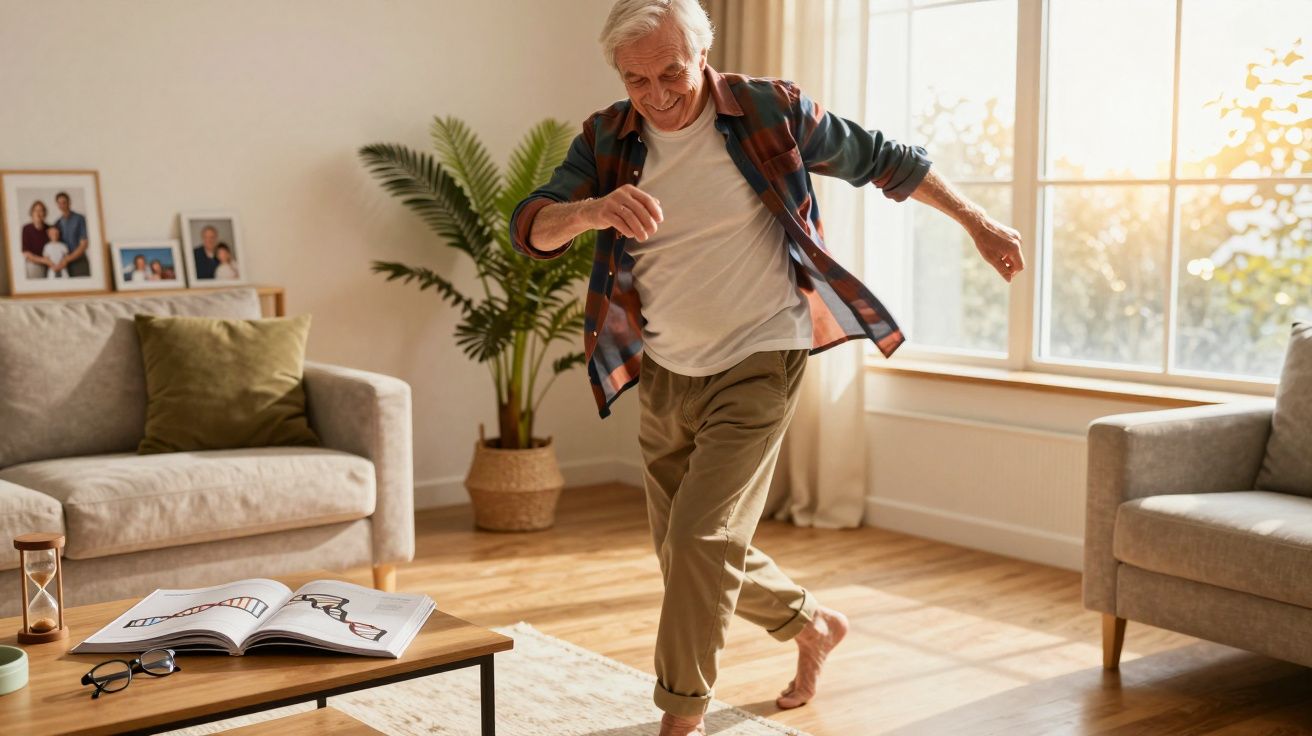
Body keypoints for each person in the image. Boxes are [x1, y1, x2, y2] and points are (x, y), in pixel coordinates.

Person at [508, 2, 1024, 734]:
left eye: (671, 73)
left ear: (702, 52)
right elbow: (531, 226)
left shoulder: (765, 110)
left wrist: (979, 221)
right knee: (685, 551)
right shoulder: (606, 138)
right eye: (635, 79)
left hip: (761, 352)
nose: (655, 94)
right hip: (662, 367)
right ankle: (811, 625)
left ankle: (680, 719)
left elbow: (885, 158)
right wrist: (591, 211)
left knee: (697, 542)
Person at [53, 192, 90, 278]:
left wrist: (67, 259)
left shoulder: (80, 219)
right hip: (63, 266)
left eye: (64, 202)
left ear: (69, 202)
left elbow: (84, 244)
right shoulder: (57, 223)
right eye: (60, 203)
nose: (62, 205)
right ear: (57, 205)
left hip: (79, 262)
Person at [19, 200, 53, 279]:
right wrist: (43, 261)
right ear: (32, 213)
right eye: (35, 210)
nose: (38, 213)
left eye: (41, 210)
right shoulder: (26, 228)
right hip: (34, 263)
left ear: (45, 213)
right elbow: (26, 253)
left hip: (50, 263)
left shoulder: (50, 228)